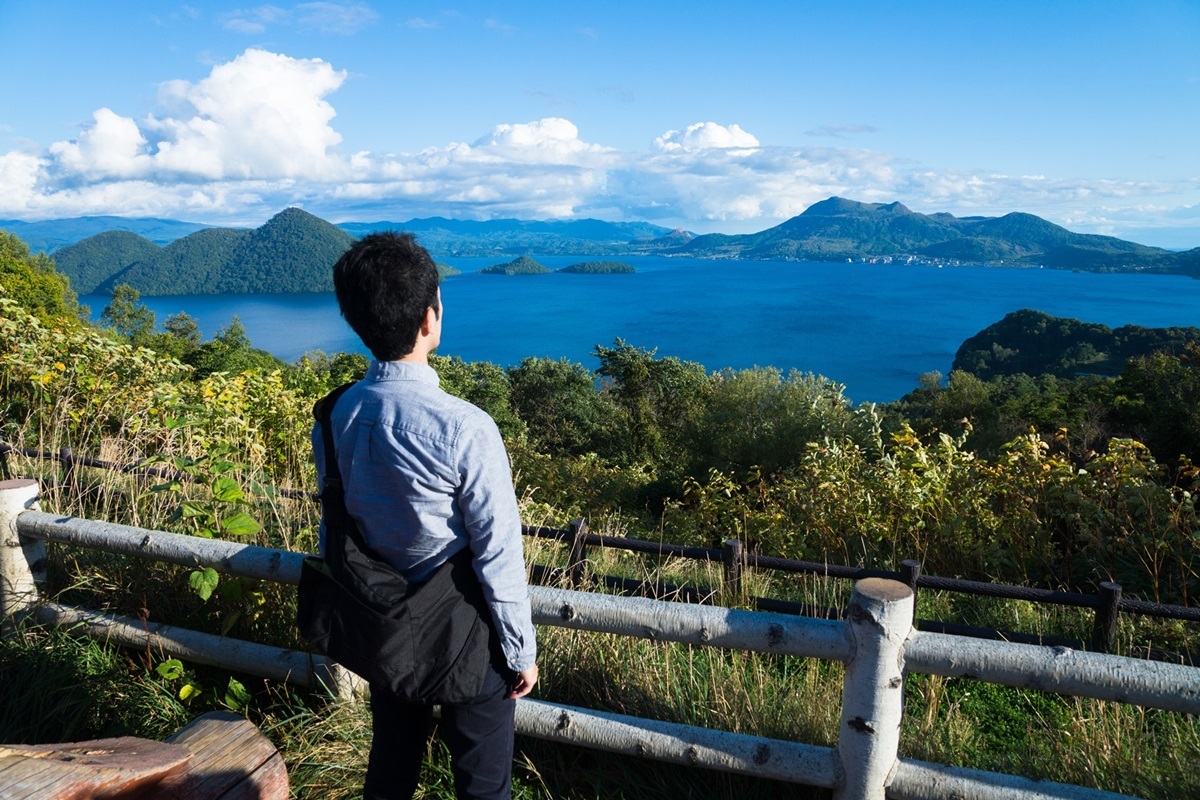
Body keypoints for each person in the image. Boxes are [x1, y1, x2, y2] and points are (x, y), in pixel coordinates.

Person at [313, 231, 538, 800]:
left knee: (390, 768)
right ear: (429, 318)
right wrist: (520, 649)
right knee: (483, 786)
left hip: (384, 622)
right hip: (467, 635)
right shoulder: (465, 427)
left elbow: (335, 518)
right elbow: (497, 550)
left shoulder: (335, 413)